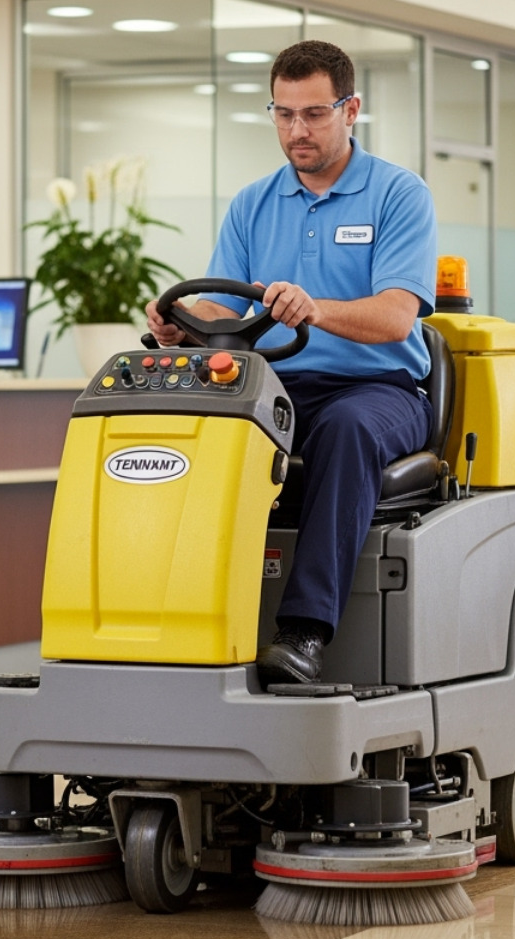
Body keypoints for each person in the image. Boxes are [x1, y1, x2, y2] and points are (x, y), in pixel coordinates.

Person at [145, 40, 437, 689]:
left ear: (350, 108)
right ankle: (179, 616)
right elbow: (226, 316)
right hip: (277, 384)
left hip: (379, 387)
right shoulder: (253, 202)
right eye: (283, 115)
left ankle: (303, 632)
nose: (296, 131)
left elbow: (395, 317)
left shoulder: (397, 194)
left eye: (312, 114)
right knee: (196, 428)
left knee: (347, 430)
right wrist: (180, 328)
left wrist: (315, 309)